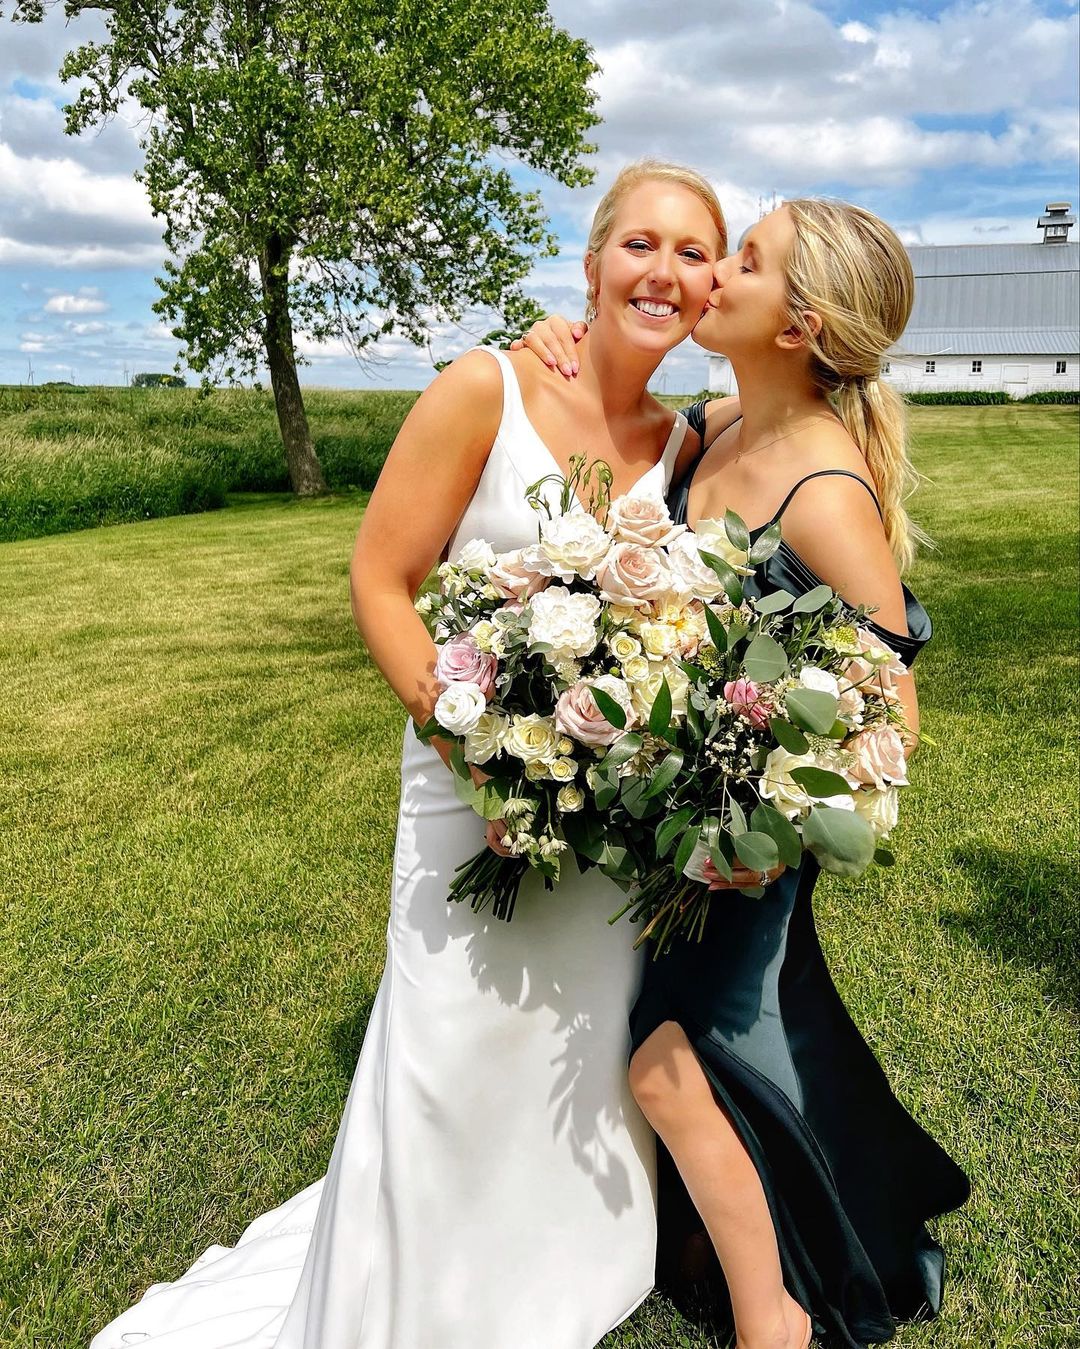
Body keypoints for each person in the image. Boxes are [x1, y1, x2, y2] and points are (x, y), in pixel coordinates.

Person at [88, 160, 726, 1349]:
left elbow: (799, 408)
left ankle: (558, 1265)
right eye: (641, 244)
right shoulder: (488, 386)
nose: (665, 272)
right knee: (448, 1039)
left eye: (695, 253)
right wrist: (480, 757)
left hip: (603, 815)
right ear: (592, 264)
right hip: (465, 780)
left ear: (714, 288)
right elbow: (382, 581)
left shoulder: (688, 442)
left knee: (575, 1041)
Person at [514, 197, 971, 1348]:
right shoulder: (717, 424)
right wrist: (558, 339)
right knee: (708, 1055)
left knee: (673, 1065)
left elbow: (893, 702)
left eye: (746, 261)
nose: (714, 271)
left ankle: (780, 1324)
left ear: (798, 324)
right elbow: (607, 417)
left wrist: (754, 792)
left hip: (754, 836)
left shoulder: (825, 493)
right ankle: (778, 1253)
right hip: (677, 823)